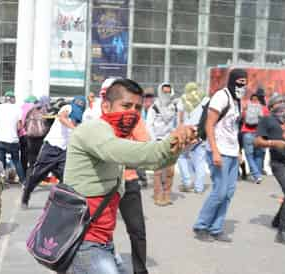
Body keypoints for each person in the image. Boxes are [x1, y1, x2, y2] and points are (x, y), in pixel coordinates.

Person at [62, 78, 197, 274]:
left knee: (137, 231)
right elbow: (132, 152)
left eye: (137, 107)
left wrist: (179, 146)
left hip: (102, 242)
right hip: (84, 242)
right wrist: (172, 140)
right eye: (126, 105)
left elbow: (152, 160)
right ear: (106, 106)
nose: (132, 113)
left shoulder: (115, 134)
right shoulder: (93, 129)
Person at [193, 68, 247, 242]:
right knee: (220, 191)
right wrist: (215, 151)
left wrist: (238, 151)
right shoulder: (221, 96)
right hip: (219, 151)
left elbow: (233, 129)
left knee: (229, 192)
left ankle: (216, 228)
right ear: (232, 81)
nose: (242, 86)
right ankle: (201, 226)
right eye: (239, 83)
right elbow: (210, 125)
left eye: (245, 83)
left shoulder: (238, 100)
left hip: (231, 152)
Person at [21, 96, 86, 208]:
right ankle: (25, 197)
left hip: (64, 151)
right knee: (37, 175)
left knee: (66, 178)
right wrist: (75, 128)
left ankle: (62, 202)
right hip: (51, 147)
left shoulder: (80, 117)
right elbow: (61, 117)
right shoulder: (68, 107)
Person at [255, 93, 285, 245]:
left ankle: (278, 220)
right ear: (271, 107)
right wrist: (273, 143)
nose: (283, 105)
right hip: (280, 163)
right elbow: (257, 141)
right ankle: (282, 232)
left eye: (284, 102)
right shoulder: (267, 120)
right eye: (279, 103)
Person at [119, 118, 150, 274]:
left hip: (128, 180)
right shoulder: (99, 121)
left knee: (137, 230)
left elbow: (145, 145)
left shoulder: (134, 120)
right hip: (102, 183)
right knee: (96, 231)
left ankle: (140, 270)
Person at [146, 82, 178, 206]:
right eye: (164, 91)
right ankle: (158, 195)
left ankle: (167, 195)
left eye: (168, 91)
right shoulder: (154, 107)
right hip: (158, 141)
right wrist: (154, 141)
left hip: (171, 141)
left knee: (170, 171)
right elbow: (149, 125)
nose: (166, 94)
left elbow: (177, 123)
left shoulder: (174, 107)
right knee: (158, 171)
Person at [177, 82, 208, 194]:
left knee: (181, 155)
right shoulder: (205, 99)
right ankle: (199, 188)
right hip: (201, 132)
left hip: (188, 131)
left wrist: (179, 132)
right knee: (200, 161)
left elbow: (180, 119)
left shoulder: (183, 99)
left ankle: (187, 182)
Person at [0, 91, 26, 183]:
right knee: (16, 161)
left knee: (1, 161)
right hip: (13, 139)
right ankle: (23, 182)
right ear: (12, 99)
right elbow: (19, 126)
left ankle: (1, 182)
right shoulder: (17, 109)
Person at [241, 93, 267, 184]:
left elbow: (242, 119)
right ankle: (258, 174)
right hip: (259, 134)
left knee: (249, 156)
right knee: (259, 155)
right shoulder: (263, 108)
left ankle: (256, 175)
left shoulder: (246, 108)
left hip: (247, 133)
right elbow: (266, 121)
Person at [19, 95, 38, 176]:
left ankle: (23, 172)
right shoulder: (35, 108)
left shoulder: (20, 108)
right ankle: (32, 173)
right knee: (33, 155)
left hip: (22, 134)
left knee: (23, 154)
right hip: (32, 135)